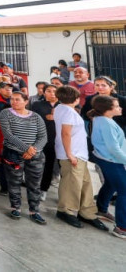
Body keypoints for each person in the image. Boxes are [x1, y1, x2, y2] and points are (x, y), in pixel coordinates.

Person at [53, 85, 108, 231]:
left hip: (78, 154)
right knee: (72, 184)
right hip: (73, 154)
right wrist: (70, 154)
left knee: (84, 184)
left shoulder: (60, 108)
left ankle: (87, 212)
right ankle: (66, 210)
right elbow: (66, 134)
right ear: (77, 99)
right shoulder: (69, 113)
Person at [0, 90, 48, 224]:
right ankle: (16, 207)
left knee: (35, 184)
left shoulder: (36, 117)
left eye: (17, 99)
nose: (13, 102)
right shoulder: (6, 114)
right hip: (13, 154)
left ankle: (34, 210)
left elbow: (43, 137)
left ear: (26, 101)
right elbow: (8, 135)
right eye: (12, 99)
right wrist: (27, 148)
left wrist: (33, 150)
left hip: (35, 155)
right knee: (14, 182)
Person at [88, 95, 126, 239]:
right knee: (124, 191)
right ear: (107, 109)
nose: (120, 108)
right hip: (111, 159)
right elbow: (113, 148)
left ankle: (102, 209)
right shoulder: (106, 123)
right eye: (117, 106)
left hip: (106, 158)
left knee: (111, 184)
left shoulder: (102, 120)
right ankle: (122, 227)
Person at [32, 84, 59, 201]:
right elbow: (32, 119)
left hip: (60, 140)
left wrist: (56, 117)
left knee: (55, 167)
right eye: (48, 91)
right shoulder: (37, 105)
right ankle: (39, 188)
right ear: (44, 93)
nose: (52, 93)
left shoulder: (63, 106)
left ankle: (47, 190)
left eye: (54, 91)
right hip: (43, 139)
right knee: (42, 165)